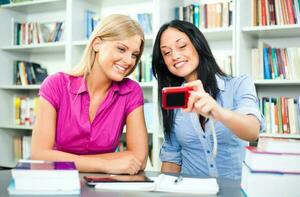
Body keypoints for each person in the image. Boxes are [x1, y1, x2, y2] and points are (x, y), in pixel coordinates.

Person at [31, 14, 148, 175]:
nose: (129, 61)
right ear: (97, 44)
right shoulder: (56, 85)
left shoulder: (131, 91)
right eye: (121, 49)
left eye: (134, 54)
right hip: (59, 181)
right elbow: (39, 155)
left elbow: (139, 159)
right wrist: (104, 164)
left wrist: (65, 160)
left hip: (105, 186)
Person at [152, 20, 264, 179]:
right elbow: (172, 157)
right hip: (191, 193)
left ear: (198, 45)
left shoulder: (239, 84)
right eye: (166, 53)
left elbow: (253, 132)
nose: (175, 56)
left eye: (182, 46)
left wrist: (217, 111)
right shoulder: (173, 99)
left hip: (235, 192)